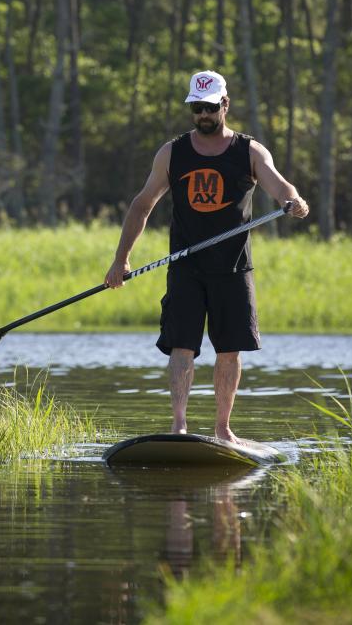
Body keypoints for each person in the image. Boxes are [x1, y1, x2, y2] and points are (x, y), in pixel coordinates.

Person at [105, 70, 309, 444]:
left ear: (225, 105)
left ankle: (222, 428)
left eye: (210, 108)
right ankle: (179, 425)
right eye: (197, 108)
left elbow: (280, 185)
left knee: (229, 350)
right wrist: (121, 260)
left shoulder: (249, 151)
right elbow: (141, 206)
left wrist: (292, 201)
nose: (203, 115)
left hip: (232, 268)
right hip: (186, 266)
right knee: (182, 346)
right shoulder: (173, 153)